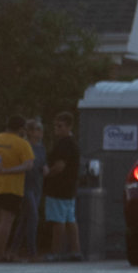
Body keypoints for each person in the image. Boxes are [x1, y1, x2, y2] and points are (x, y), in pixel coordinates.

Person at [0, 118, 33, 260]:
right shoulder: (22, 144)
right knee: (6, 220)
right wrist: (8, 170)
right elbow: (28, 165)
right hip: (11, 187)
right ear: (21, 129)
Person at [42, 111, 82, 260]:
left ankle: (56, 252)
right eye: (55, 126)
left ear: (69, 126)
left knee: (58, 221)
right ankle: (75, 250)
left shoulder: (63, 144)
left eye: (60, 126)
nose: (56, 129)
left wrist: (47, 173)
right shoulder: (72, 143)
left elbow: (60, 166)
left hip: (58, 188)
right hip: (69, 188)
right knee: (70, 220)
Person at [16, 118, 45, 261]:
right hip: (26, 185)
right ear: (29, 132)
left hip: (37, 185)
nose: (39, 133)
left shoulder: (41, 148)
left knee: (25, 219)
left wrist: (45, 168)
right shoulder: (24, 145)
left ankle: (13, 249)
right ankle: (31, 251)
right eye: (36, 130)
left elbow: (42, 163)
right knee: (33, 216)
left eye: (40, 130)